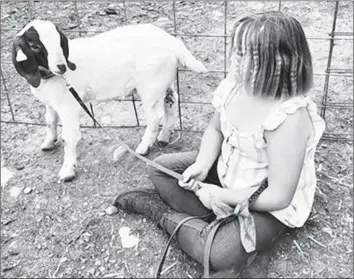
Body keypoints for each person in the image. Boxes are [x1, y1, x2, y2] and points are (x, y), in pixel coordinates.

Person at [114, 11, 325, 278]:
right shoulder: (235, 86)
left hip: (266, 201)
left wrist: (220, 196)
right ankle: (215, 226)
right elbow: (215, 129)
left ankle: (160, 212)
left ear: (282, 64)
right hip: (226, 173)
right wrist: (202, 165)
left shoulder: (288, 117)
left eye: (251, 56)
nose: (235, 60)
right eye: (237, 50)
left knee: (219, 252)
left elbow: (279, 195)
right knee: (160, 169)